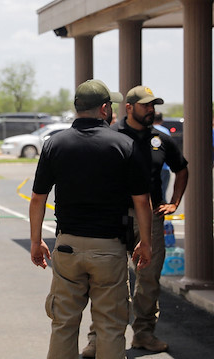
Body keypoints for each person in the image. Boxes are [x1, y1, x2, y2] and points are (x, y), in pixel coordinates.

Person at [30, 79, 152, 359]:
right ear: (105, 108)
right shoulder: (124, 145)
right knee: (110, 326)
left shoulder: (54, 144)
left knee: (63, 323)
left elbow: (38, 198)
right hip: (109, 249)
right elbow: (142, 201)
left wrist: (36, 242)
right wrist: (145, 242)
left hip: (67, 247)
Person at [81, 86, 188, 357]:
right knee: (108, 279)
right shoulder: (110, 135)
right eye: (145, 105)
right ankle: (96, 339)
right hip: (115, 218)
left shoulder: (160, 139)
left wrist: (174, 202)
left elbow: (182, 168)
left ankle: (144, 334)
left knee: (148, 279)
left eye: (153, 106)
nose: (151, 110)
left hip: (150, 219)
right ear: (128, 107)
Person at [152, 112, 171, 202]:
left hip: (151, 167)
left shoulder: (148, 130)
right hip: (164, 166)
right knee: (162, 192)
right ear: (161, 120)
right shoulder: (165, 131)